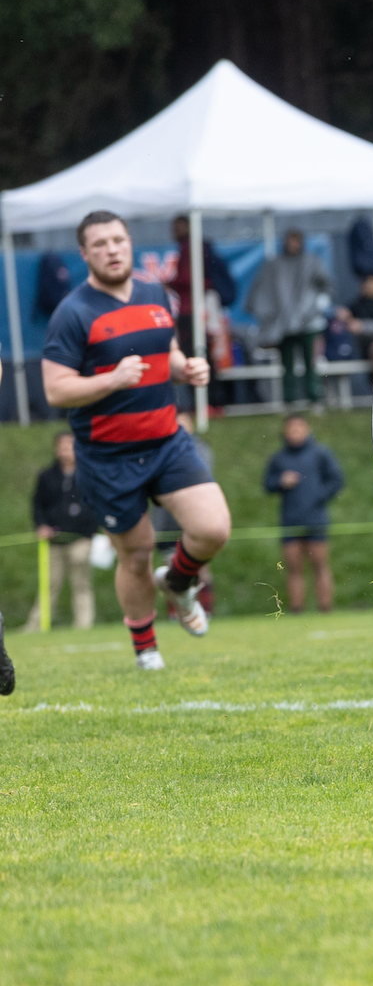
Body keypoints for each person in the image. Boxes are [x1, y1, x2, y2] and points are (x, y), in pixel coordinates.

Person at [43, 211, 230, 672]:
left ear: (129, 244)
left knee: (213, 528)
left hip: (166, 440)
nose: (112, 249)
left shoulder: (154, 294)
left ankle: (180, 583)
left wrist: (186, 367)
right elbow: (56, 389)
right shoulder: (73, 312)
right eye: (100, 244)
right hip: (108, 456)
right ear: (85, 254)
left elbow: (163, 354)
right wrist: (110, 380)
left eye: (118, 240)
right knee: (137, 553)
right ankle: (146, 648)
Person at [264, 413, 345, 613]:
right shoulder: (278, 457)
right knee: (293, 568)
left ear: (307, 429)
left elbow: (336, 480)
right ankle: (296, 610)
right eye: (291, 428)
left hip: (316, 518)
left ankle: (325, 608)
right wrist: (280, 482)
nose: (295, 432)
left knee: (320, 565)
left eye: (299, 428)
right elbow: (267, 484)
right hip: (290, 519)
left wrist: (318, 495)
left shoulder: (320, 453)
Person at [247, 229, 335, 406]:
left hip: (309, 323)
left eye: (296, 240)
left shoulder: (312, 262)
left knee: (311, 363)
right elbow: (263, 291)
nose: (293, 244)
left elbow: (326, 286)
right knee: (286, 365)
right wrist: (271, 315)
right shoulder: (274, 265)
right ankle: (289, 401)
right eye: (289, 240)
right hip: (283, 324)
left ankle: (315, 399)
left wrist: (316, 307)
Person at [167, 214, 237, 409]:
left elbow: (192, 279)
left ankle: (211, 402)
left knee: (199, 355)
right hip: (197, 311)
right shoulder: (192, 246)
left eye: (177, 226)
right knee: (200, 355)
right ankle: (208, 402)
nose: (173, 232)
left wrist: (171, 282)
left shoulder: (193, 247)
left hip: (196, 312)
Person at [152, 414, 218, 617]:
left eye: (185, 424)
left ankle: (205, 610)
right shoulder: (159, 451)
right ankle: (178, 613)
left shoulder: (200, 450)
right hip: (168, 520)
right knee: (171, 568)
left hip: (195, 518)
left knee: (201, 568)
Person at [33, 432, 100, 629]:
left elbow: (96, 504)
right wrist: (41, 525)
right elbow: (37, 505)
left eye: (69, 446)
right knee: (49, 584)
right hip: (54, 541)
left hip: (81, 539)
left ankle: (83, 624)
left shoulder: (87, 474)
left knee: (81, 583)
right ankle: (37, 624)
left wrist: (91, 531)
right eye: (62, 446)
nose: (65, 450)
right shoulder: (47, 476)